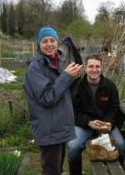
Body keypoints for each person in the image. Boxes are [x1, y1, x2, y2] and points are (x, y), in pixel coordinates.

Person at [23, 26, 83, 175]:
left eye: (52, 40)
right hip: (49, 128)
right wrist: (67, 77)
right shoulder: (35, 67)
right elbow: (47, 97)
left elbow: (63, 92)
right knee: (51, 170)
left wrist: (74, 78)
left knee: (58, 169)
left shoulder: (58, 61)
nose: (49, 44)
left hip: (59, 125)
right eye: (45, 41)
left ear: (57, 42)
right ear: (39, 44)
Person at [68, 54, 125, 175]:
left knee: (120, 144)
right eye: (91, 66)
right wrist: (88, 122)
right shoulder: (78, 86)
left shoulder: (109, 85)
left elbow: (114, 108)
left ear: (102, 68)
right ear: (85, 68)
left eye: (97, 66)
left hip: (105, 123)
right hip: (84, 124)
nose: (94, 70)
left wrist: (108, 122)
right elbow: (73, 111)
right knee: (73, 147)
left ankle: (120, 171)